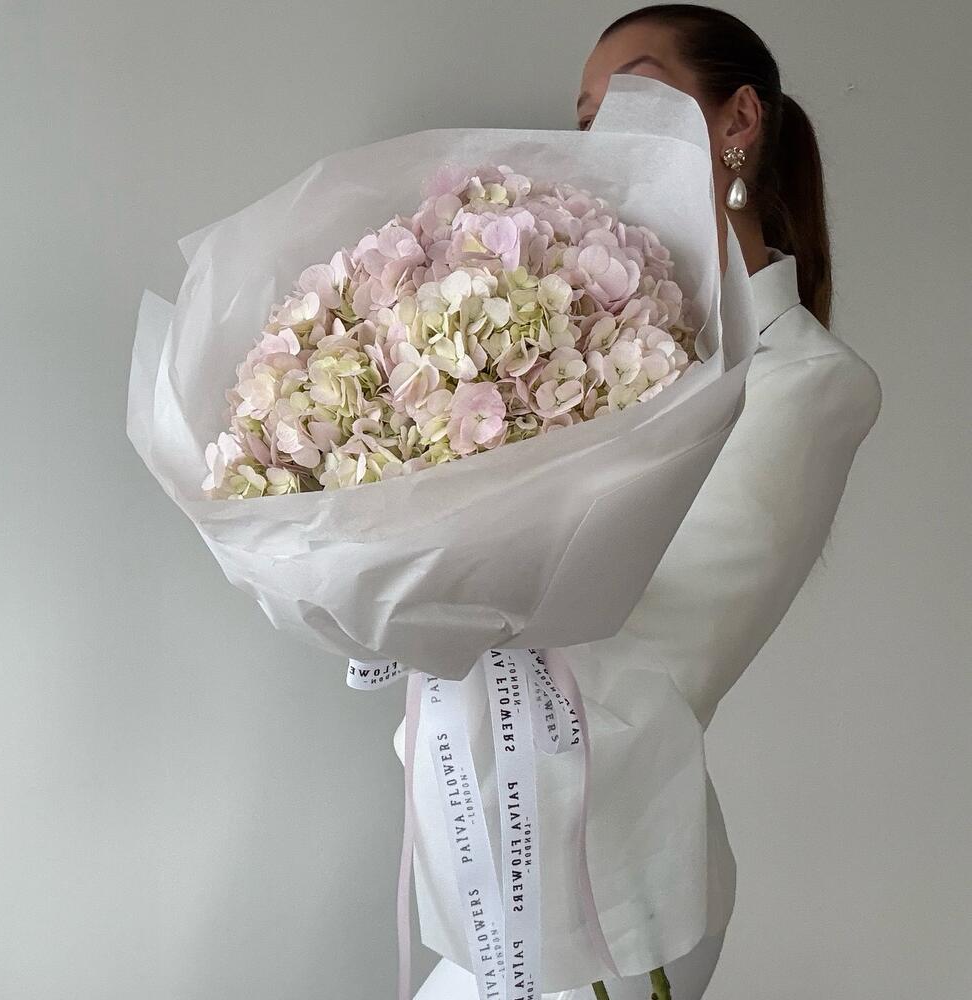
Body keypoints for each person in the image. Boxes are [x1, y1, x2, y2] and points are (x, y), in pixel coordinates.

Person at [407, 6, 883, 998]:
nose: (595, 138)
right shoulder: (579, 349)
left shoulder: (807, 381)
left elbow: (660, 645)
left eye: (628, 96)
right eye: (584, 119)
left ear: (737, 120)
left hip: (614, 876)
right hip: (489, 841)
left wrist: (451, 580)